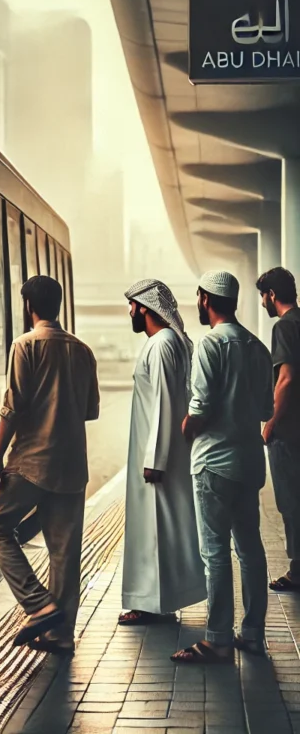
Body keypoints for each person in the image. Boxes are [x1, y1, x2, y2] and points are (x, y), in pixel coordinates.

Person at [0, 276, 99, 653]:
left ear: (28, 305)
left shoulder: (25, 345)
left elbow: (12, 407)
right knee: (64, 549)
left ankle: (37, 603)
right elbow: (90, 410)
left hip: (31, 461)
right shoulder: (82, 350)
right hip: (71, 464)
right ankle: (60, 634)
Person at [172, 271, 273, 664]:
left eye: (198, 297)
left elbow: (200, 407)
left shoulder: (210, 344)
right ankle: (252, 633)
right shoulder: (258, 347)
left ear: (206, 299)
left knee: (214, 551)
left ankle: (217, 638)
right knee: (250, 549)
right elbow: (266, 410)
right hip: (249, 463)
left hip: (214, 463)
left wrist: (185, 428)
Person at [120, 280, 206, 626]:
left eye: (132, 306)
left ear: (145, 307)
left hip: (159, 458)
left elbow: (165, 404)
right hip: (163, 453)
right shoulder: (167, 343)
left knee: (157, 528)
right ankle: (158, 601)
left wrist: (155, 459)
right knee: (159, 529)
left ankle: (154, 604)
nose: (130, 312)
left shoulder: (161, 344)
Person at [256, 267, 300, 592]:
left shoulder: (284, 327)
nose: (262, 303)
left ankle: (297, 571)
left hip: (290, 431)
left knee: (290, 500)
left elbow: (286, 377)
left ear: (272, 295)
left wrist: (270, 422)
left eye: (262, 296)